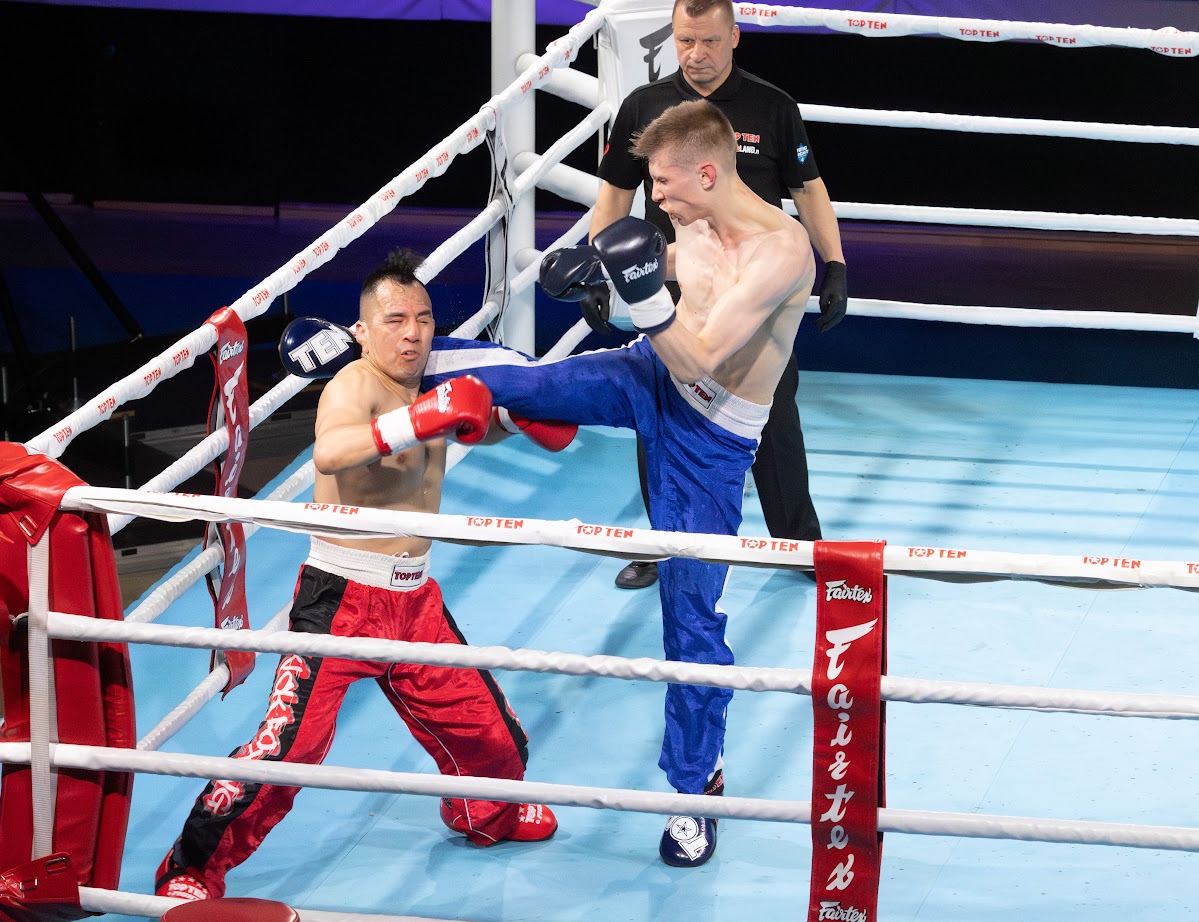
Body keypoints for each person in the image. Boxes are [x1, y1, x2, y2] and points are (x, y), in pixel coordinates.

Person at [419, 98, 817, 868]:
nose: (654, 197)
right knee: (525, 384)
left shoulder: (779, 252)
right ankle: (366, 356)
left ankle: (694, 791)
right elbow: (673, 281)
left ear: (708, 172)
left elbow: (700, 356)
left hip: (711, 438)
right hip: (645, 374)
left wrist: (641, 292)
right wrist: (603, 268)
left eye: (664, 183)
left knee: (690, 624)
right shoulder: (693, 223)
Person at [155, 249, 569, 902]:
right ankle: (188, 867)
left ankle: (483, 814)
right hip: (341, 601)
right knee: (289, 750)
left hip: (415, 600)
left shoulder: (430, 380)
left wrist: (514, 419)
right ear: (363, 331)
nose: (413, 333)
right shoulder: (355, 384)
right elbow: (332, 450)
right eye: (396, 320)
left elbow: (468, 423)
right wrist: (417, 419)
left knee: (498, 743)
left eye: (424, 319)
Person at [594, 0, 847, 590]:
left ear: (734, 37)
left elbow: (808, 189)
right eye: (685, 41)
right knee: (661, 409)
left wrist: (834, 262)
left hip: (756, 285)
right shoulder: (645, 106)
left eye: (708, 41)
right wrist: (603, 270)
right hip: (674, 279)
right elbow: (613, 195)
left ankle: (800, 545)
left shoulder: (772, 106)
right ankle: (663, 544)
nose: (696, 54)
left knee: (774, 413)